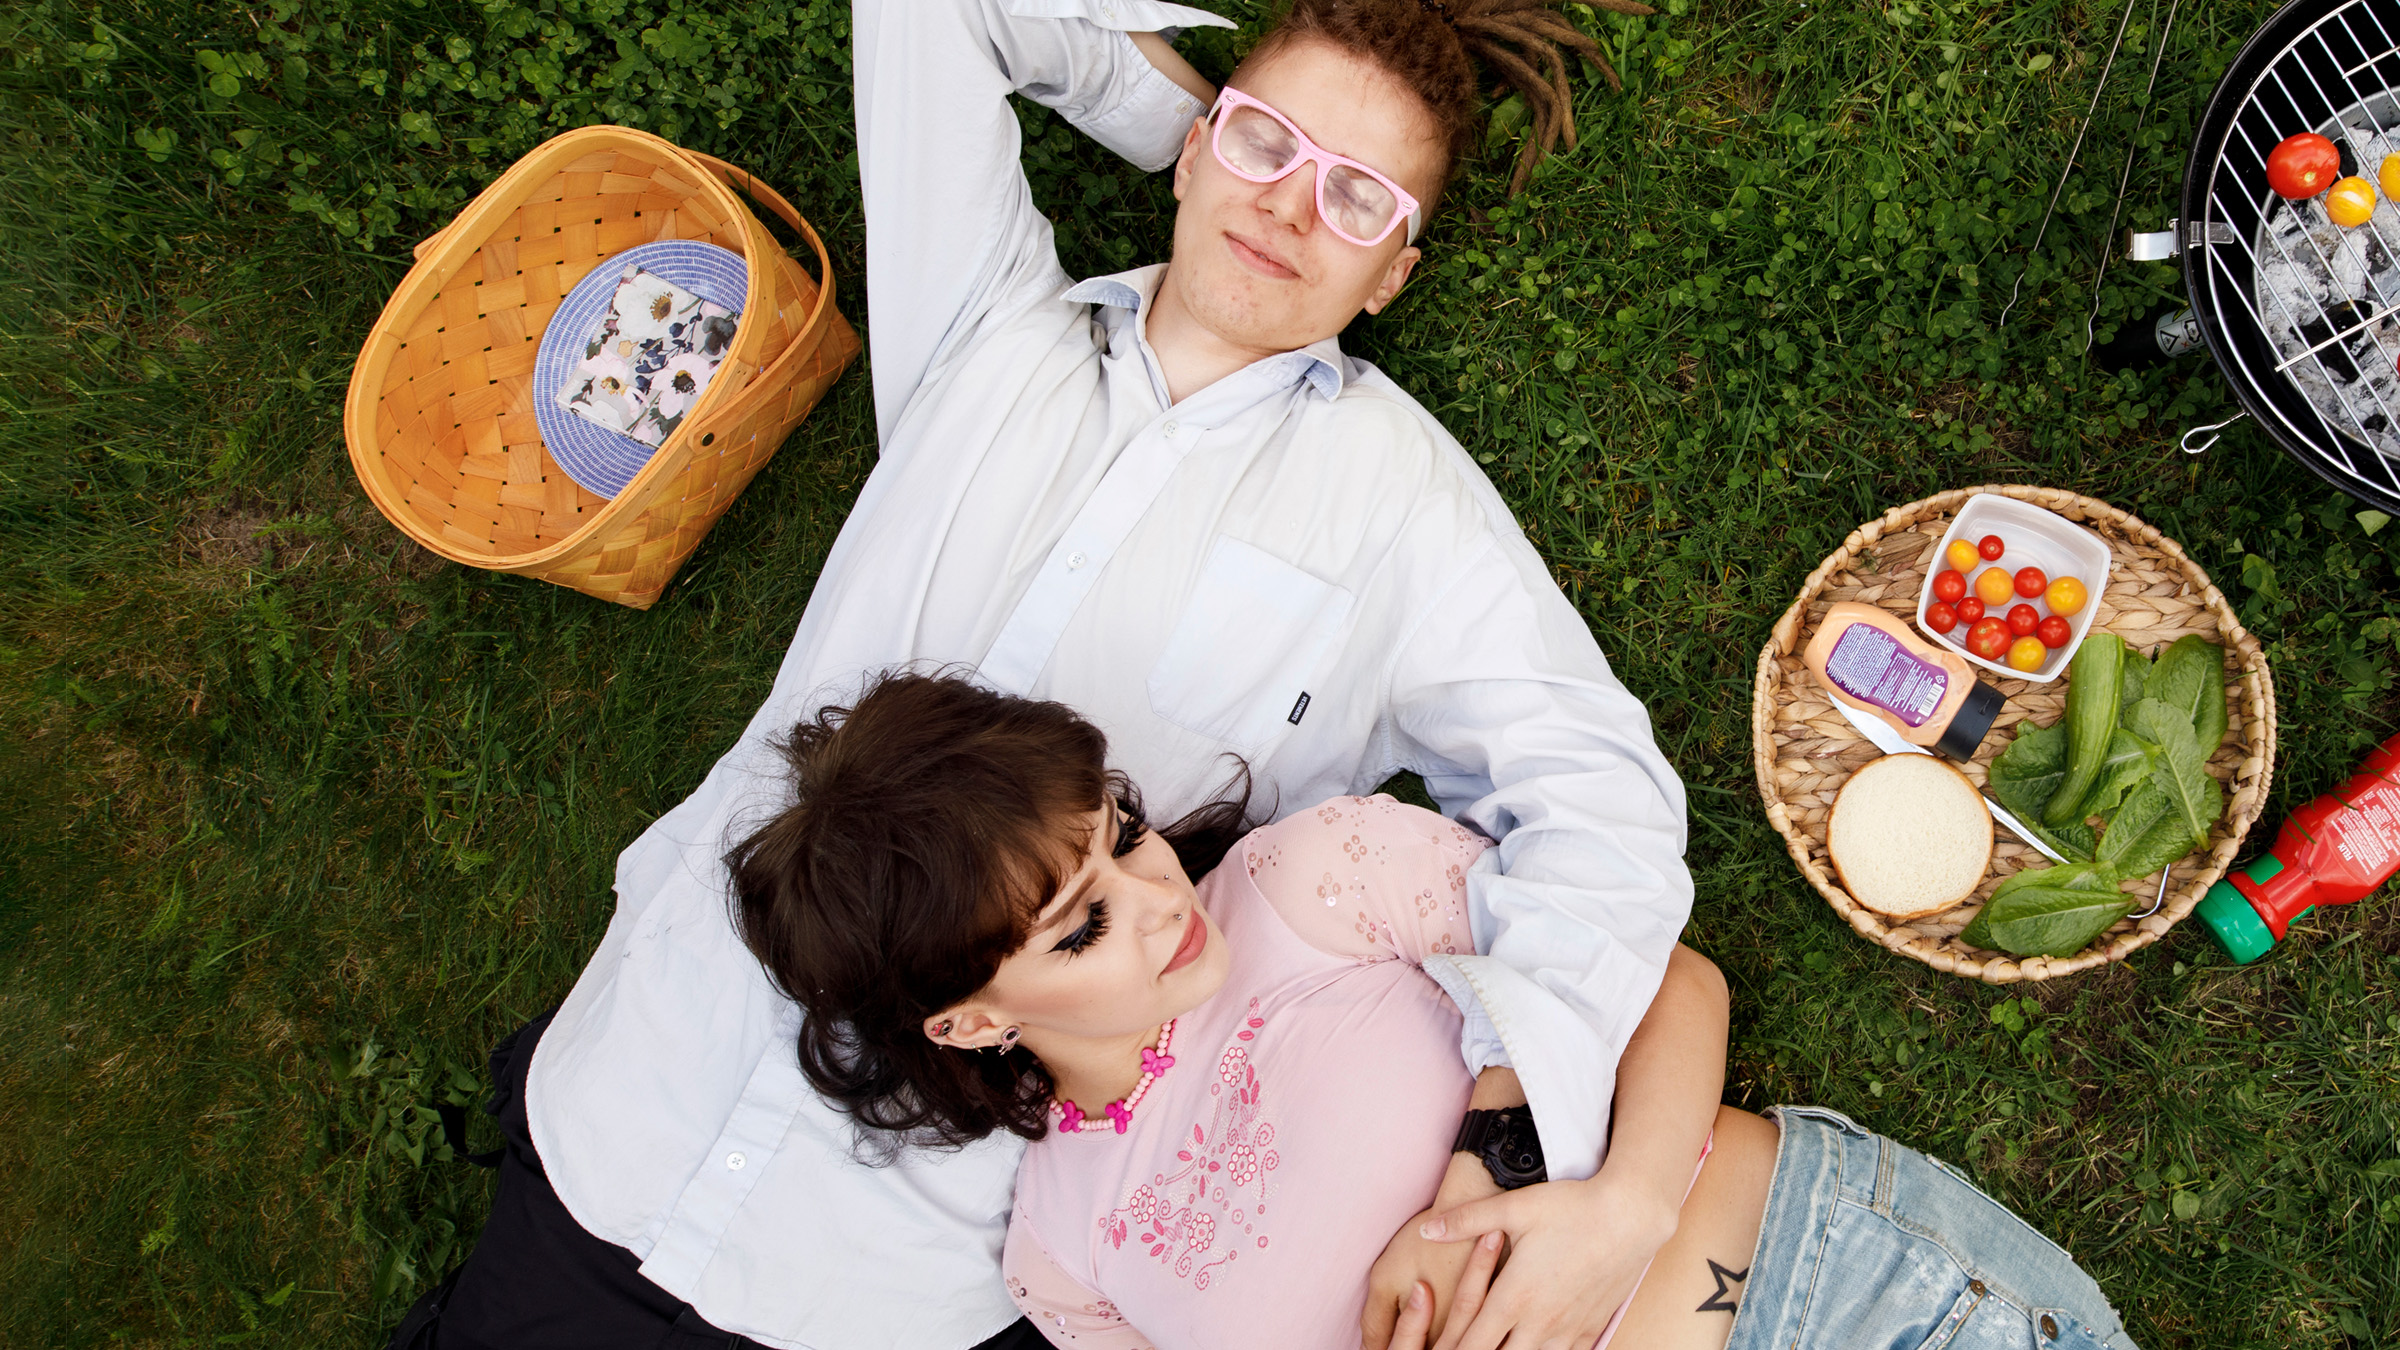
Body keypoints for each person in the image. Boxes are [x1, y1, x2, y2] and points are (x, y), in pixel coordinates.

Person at [403, 2, 1699, 1347]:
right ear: (1195, 150)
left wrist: (1505, 1139)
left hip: (887, 1284)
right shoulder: (985, 327)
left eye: (1357, 199)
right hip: (627, 1110)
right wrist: (1174, 117)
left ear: (1392, 277)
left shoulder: (1406, 512)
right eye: (1265, 144)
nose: (1289, 209)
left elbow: (1606, 810)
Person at [730, 673, 2145, 1350]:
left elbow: (1674, 982)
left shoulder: (1307, 880)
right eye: (1084, 924)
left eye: (1126, 833)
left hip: (1822, 1292)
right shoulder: (1061, 1255)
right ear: (970, 1022)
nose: (1160, 899)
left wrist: (1613, 1210)